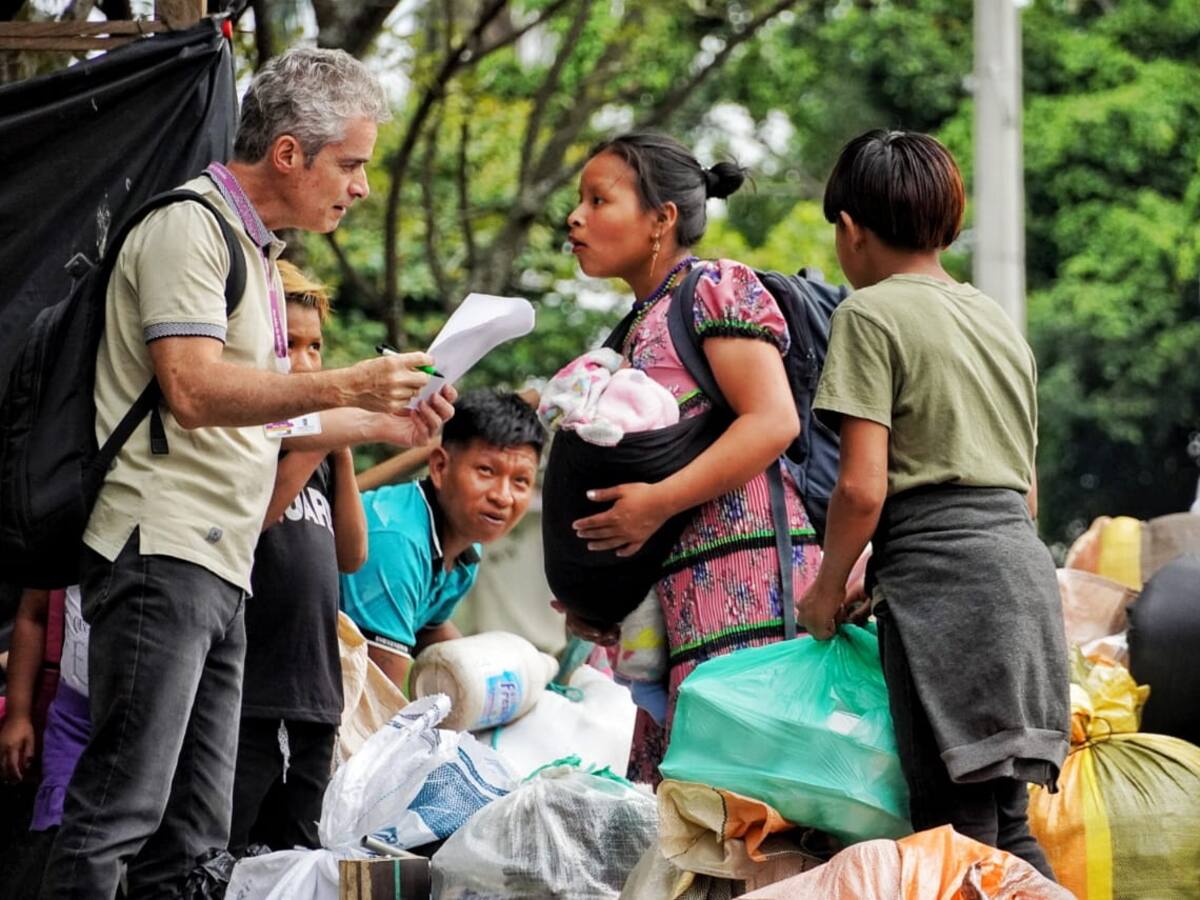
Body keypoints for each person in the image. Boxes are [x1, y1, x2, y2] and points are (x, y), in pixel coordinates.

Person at [42, 48, 455, 900]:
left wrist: (385, 418)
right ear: (290, 153)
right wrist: (347, 381)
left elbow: (269, 411)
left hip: (221, 568)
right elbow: (193, 389)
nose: (363, 187)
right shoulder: (188, 227)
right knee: (121, 811)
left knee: (196, 836)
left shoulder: (256, 255)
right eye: (353, 164)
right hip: (163, 548)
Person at [799, 129, 1068, 877]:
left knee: (954, 836)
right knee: (1003, 828)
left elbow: (861, 487)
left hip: (944, 594)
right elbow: (1026, 491)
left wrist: (826, 589)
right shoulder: (996, 322)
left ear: (850, 229)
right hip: (1021, 580)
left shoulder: (870, 313)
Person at [562, 131, 821, 784]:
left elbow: (771, 421)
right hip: (676, 603)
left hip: (748, 592)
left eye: (599, 200)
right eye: (579, 202)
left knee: (748, 805)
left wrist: (656, 504)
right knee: (697, 812)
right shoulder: (632, 326)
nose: (576, 217)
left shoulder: (714, 289)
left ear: (662, 219)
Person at [228, 262, 366, 855]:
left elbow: (351, 555)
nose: (309, 363)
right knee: (230, 842)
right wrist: (314, 439)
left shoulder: (321, 452)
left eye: (317, 347)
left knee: (300, 848)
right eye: (291, 346)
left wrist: (342, 454)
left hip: (315, 693)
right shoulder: (258, 438)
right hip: (252, 693)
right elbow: (255, 518)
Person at [340, 390, 545, 692]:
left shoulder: (466, 546)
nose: (502, 496)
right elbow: (380, 696)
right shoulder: (397, 541)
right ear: (439, 467)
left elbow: (429, 628)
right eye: (486, 471)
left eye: (520, 481)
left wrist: (497, 679)